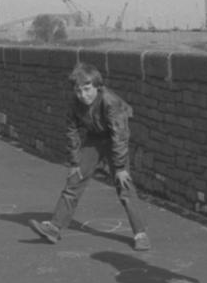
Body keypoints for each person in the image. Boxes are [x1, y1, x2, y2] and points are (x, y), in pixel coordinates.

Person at [29, 63, 150, 251]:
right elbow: (71, 131)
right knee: (74, 180)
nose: (83, 95)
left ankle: (140, 234)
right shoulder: (74, 103)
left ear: (97, 86)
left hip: (114, 139)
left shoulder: (111, 101)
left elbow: (120, 135)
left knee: (124, 185)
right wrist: (75, 162)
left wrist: (119, 168)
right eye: (78, 91)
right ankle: (54, 228)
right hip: (94, 138)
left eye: (87, 90)